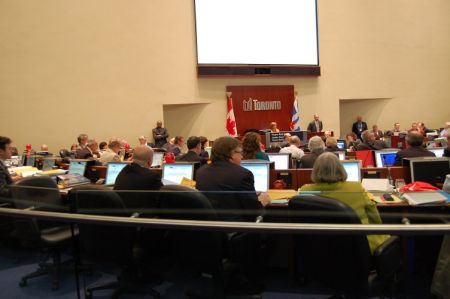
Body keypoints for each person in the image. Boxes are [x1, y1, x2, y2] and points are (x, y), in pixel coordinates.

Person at [300, 152, 389, 254]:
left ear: (315, 171)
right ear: (341, 169)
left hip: (319, 249)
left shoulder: (305, 191)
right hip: (358, 247)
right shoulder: (357, 188)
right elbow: (375, 218)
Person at [196, 136, 269, 221]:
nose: (242, 156)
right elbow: (254, 212)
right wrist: (262, 202)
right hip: (235, 229)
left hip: (209, 228)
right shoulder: (243, 174)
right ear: (232, 154)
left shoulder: (201, 171)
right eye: (240, 153)